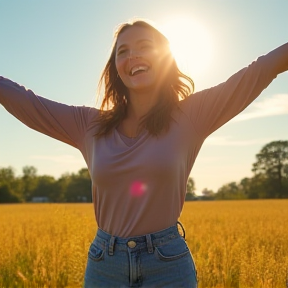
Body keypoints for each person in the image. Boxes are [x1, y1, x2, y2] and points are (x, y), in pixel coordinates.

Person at [0, 19, 287, 288]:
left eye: (145, 47)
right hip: (105, 265)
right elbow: (26, 101)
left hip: (167, 264)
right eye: (123, 52)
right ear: (116, 67)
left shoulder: (193, 115)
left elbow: (260, 70)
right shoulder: (88, 125)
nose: (133, 56)